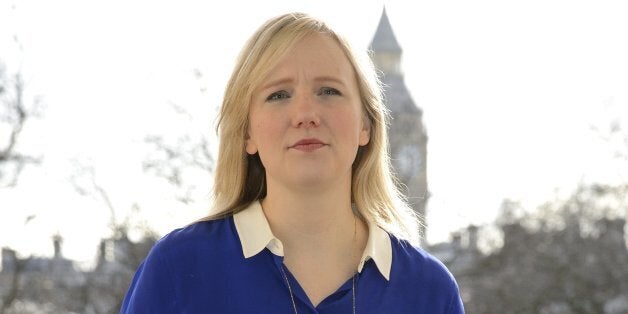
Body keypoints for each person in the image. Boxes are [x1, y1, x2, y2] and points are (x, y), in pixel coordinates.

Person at [120, 12, 464, 313]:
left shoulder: (430, 292)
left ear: (366, 125)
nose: (305, 114)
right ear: (247, 133)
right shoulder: (178, 270)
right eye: (278, 95)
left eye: (328, 91)